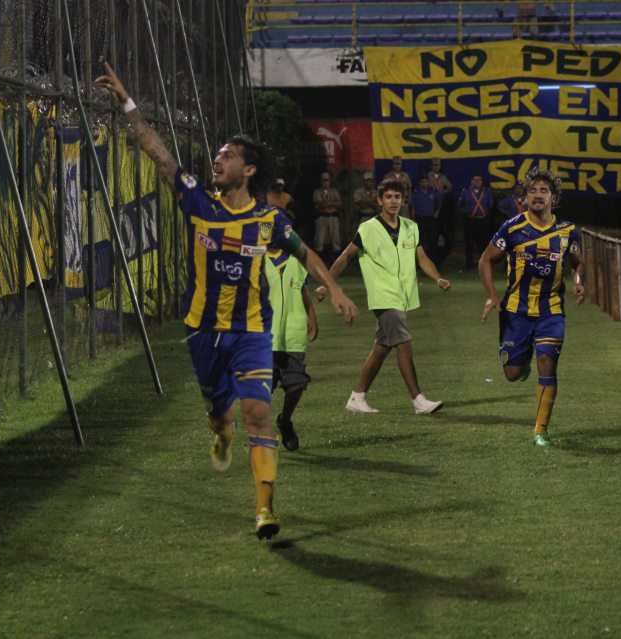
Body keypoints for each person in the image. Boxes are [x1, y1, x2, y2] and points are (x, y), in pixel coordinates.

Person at [95, 63, 359, 540]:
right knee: (221, 414)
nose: (218, 159)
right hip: (203, 330)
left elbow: (306, 253)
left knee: (257, 412)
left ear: (249, 169)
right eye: (217, 154)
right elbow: (157, 152)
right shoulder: (199, 202)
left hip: (252, 331)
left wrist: (335, 289)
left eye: (228, 155)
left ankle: (265, 510)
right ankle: (220, 432)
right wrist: (126, 101)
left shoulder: (269, 219)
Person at [316, 178, 451, 416]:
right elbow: (346, 257)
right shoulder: (368, 228)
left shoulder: (411, 227)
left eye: (397, 197)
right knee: (404, 343)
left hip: (402, 296)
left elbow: (421, 258)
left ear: (403, 200)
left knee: (382, 347)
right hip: (382, 296)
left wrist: (438, 278)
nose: (393, 201)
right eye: (388, 197)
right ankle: (418, 400)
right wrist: (327, 285)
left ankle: (357, 396)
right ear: (380, 201)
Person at [478, 166, 585, 447]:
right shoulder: (511, 228)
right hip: (516, 312)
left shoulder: (568, 232)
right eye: (532, 190)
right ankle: (521, 361)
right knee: (512, 374)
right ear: (525, 197)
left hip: (551, 311)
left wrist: (579, 281)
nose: (538, 195)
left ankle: (540, 430)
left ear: (553, 198)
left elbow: (577, 262)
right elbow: (485, 260)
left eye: (544, 191)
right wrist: (491, 295)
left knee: (547, 363)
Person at [265, 248, 318, 451]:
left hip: (293, 334)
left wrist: (312, 317)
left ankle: (285, 421)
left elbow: (302, 289)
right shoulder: (255, 259)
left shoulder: (296, 259)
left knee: (297, 384)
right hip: (264, 335)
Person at [457, 173, 494, 269]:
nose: (477, 182)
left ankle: (483, 264)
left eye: (479, 180)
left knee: (483, 243)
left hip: (483, 220)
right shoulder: (465, 192)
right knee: (469, 243)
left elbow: (490, 205)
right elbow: (460, 205)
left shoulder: (487, 192)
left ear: (482, 182)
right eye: (475, 180)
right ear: (471, 181)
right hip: (469, 221)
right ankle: (469, 264)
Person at [426, 158, 453, 264]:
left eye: (438, 165)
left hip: (440, 205)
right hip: (430, 203)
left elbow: (450, 187)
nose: (436, 167)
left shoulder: (443, 177)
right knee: (432, 231)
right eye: (434, 165)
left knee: (442, 229)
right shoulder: (428, 176)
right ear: (431, 166)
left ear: (440, 166)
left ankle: (442, 254)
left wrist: (442, 192)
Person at [411, 175, 442, 263]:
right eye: (423, 181)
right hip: (420, 219)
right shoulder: (416, 194)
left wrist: (437, 211)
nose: (424, 183)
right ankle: (419, 262)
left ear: (428, 182)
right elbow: (412, 208)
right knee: (419, 242)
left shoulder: (433, 193)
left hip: (431, 219)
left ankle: (433, 262)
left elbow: (440, 202)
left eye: (426, 181)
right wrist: (413, 220)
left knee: (432, 240)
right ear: (420, 183)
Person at [312, 172, 343, 258]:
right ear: (321, 181)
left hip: (333, 217)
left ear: (330, 181)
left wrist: (326, 204)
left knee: (335, 238)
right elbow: (319, 204)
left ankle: (335, 258)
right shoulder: (317, 192)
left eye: (327, 180)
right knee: (319, 239)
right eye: (324, 180)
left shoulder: (334, 191)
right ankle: (319, 258)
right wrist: (333, 204)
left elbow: (339, 204)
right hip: (322, 217)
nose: (325, 182)